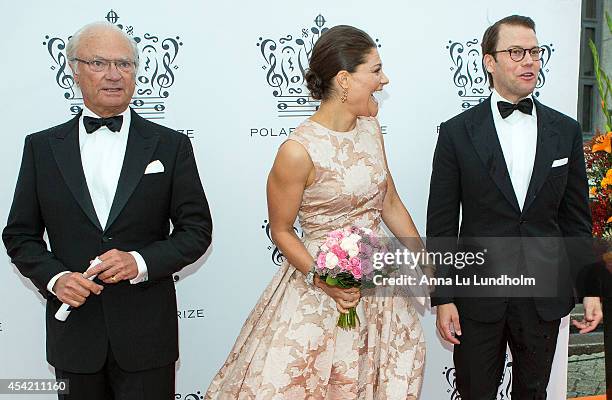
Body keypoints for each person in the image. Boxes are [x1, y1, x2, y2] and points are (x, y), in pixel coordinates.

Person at [205, 25, 426, 399]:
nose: (384, 80)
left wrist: (425, 261)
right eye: (375, 70)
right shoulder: (297, 151)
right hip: (322, 289)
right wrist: (325, 280)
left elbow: (389, 201)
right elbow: (282, 230)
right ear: (344, 79)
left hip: (381, 287)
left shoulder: (371, 128)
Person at [2, 21, 212, 400]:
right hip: (75, 334)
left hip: (147, 337)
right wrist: (55, 279)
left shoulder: (171, 145)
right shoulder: (41, 147)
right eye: (100, 63)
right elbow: (19, 235)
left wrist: (140, 261)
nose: (115, 75)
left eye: (125, 64)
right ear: (74, 70)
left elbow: (196, 230)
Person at [427, 15, 603, 399]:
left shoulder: (566, 130)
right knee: (475, 391)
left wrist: (590, 289)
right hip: (477, 293)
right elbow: (441, 222)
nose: (530, 61)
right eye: (517, 52)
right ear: (489, 61)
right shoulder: (457, 132)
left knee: (534, 392)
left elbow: (576, 219)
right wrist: (443, 297)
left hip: (542, 294)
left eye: (535, 52)